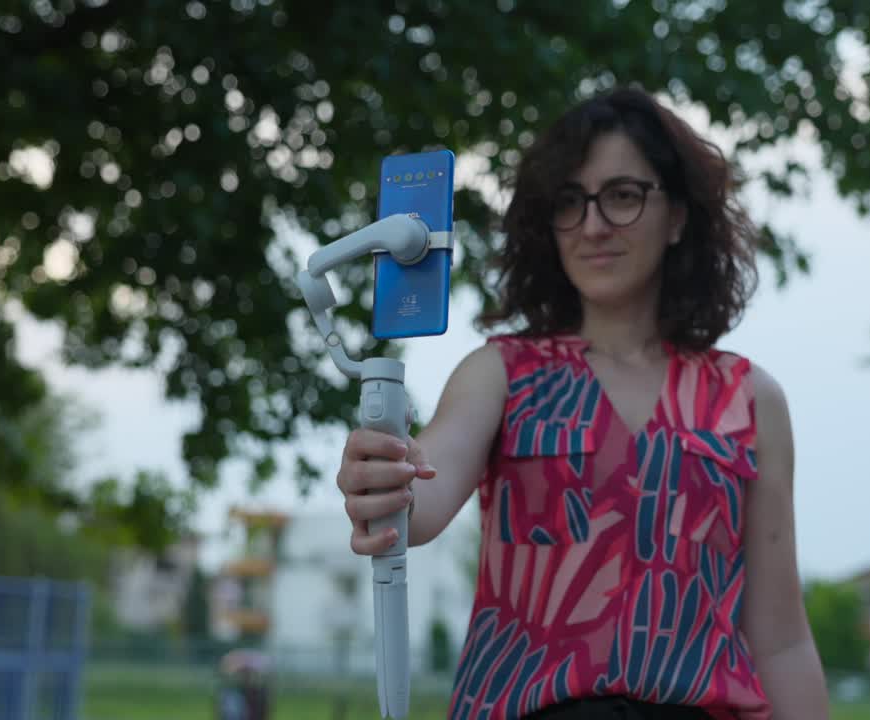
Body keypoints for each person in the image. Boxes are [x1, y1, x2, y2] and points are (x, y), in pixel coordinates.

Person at [335, 86, 829, 719]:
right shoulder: (500, 373)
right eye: (570, 202)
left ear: (678, 215)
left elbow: (781, 640)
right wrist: (385, 479)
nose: (594, 225)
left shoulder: (750, 400)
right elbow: (421, 497)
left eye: (623, 196)